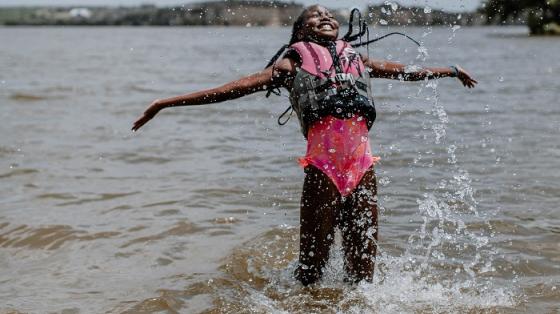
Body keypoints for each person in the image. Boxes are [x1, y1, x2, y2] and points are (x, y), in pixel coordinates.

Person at [132, 5, 477, 286]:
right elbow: (230, 89)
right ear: (300, 32)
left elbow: (406, 71)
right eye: (315, 16)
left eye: (329, 14)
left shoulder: (357, 58)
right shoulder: (290, 63)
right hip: (322, 172)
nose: (325, 17)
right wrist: (166, 103)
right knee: (311, 271)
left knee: (363, 275)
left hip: (362, 168)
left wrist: (448, 70)